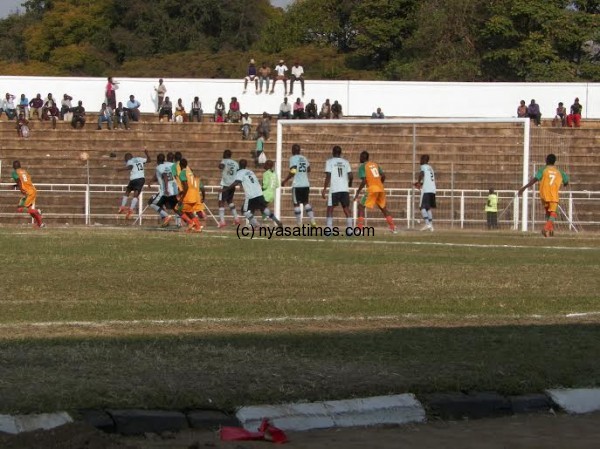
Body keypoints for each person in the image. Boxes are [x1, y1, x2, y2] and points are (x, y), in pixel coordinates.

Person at [518, 153, 569, 237]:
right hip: (553, 195)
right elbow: (566, 182)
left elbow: (534, 180)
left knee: (548, 213)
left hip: (543, 195)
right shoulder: (560, 172)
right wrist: (562, 183)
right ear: (554, 162)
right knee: (553, 213)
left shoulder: (543, 170)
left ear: (547, 160)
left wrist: (524, 188)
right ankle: (546, 228)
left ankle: (550, 230)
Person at [227, 159, 282, 228]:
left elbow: (237, 181)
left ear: (239, 165)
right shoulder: (251, 172)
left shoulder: (241, 172)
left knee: (244, 211)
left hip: (252, 195)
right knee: (263, 208)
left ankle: (257, 224)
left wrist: (226, 189)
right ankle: (276, 220)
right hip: (260, 193)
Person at [353, 150, 397, 233]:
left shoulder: (363, 167)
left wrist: (358, 192)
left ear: (362, 158)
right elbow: (383, 175)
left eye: (360, 157)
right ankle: (393, 227)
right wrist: (380, 184)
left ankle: (359, 229)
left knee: (361, 207)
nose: (359, 158)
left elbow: (364, 180)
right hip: (380, 188)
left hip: (372, 189)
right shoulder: (375, 164)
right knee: (383, 208)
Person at [281, 144, 317, 227]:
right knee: (306, 202)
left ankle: (299, 223)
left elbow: (293, 171)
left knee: (296, 204)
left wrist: (285, 181)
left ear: (293, 150)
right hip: (306, 184)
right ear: (299, 150)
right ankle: (313, 221)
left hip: (297, 185)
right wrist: (302, 172)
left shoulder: (293, 158)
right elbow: (309, 169)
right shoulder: (304, 158)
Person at [322, 145, 353, 231]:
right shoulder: (346, 162)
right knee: (346, 209)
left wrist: (324, 188)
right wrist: (349, 184)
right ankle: (350, 230)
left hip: (334, 189)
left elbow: (328, 176)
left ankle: (328, 230)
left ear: (333, 152)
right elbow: (351, 175)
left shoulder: (329, 162)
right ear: (340, 153)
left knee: (330, 209)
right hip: (344, 189)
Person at [117, 147, 150, 219]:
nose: (125, 161)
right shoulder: (139, 158)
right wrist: (146, 153)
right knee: (135, 194)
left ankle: (122, 207)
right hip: (141, 179)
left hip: (134, 179)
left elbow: (130, 166)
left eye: (125, 159)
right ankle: (131, 209)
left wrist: (120, 169)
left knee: (127, 191)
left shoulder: (130, 161)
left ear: (127, 158)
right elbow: (149, 160)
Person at [11, 161, 44, 227]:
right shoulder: (24, 171)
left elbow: (19, 181)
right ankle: (40, 224)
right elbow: (25, 181)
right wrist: (16, 185)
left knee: (25, 209)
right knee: (30, 211)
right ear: (20, 166)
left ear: (13, 166)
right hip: (32, 190)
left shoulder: (14, 172)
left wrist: (20, 188)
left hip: (29, 192)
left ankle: (38, 211)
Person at [148, 153, 177, 227]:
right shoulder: (166, 166)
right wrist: (151, 181)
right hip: (172, 190)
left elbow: (165, 176)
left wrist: (166, 188)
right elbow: (158, 176)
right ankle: (166, 221)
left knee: (151, 202)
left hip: (163, 191)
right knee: (166, 206)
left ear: (157, 160)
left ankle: (167, 216)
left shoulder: (159, 167)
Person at [177, 158, 205, 233]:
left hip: (189, 196)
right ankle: (198, 226)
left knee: (178, 209)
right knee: (189, 211)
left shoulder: (183, 173)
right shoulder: (191, 173)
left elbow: (186, 187)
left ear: (180, 166)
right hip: (196, 196)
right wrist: (203, 197)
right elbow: (201, 187)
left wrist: (181, 198)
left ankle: (190, 223)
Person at [217, 149, 241, 228]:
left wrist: (220, 165)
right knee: (230, 201)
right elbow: (238, 171)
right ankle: (236, 218)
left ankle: (222, 221)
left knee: (221, 202)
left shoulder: (224, 161)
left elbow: (221, 166)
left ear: (224, 154)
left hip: (225, 184)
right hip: (232, 185)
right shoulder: (235, 163)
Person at [415, 154, 436, 231]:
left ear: (424, 160)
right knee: (428, 208)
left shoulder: (423, 166)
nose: (420, 161)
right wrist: (421, 183)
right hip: (432, 189)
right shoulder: (430, 168)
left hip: (426, 190)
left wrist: (418, 182)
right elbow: (428, 179)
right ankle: (431, 226)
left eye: (421, 159)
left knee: (422, 207)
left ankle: (427, 224)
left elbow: (422, 174)